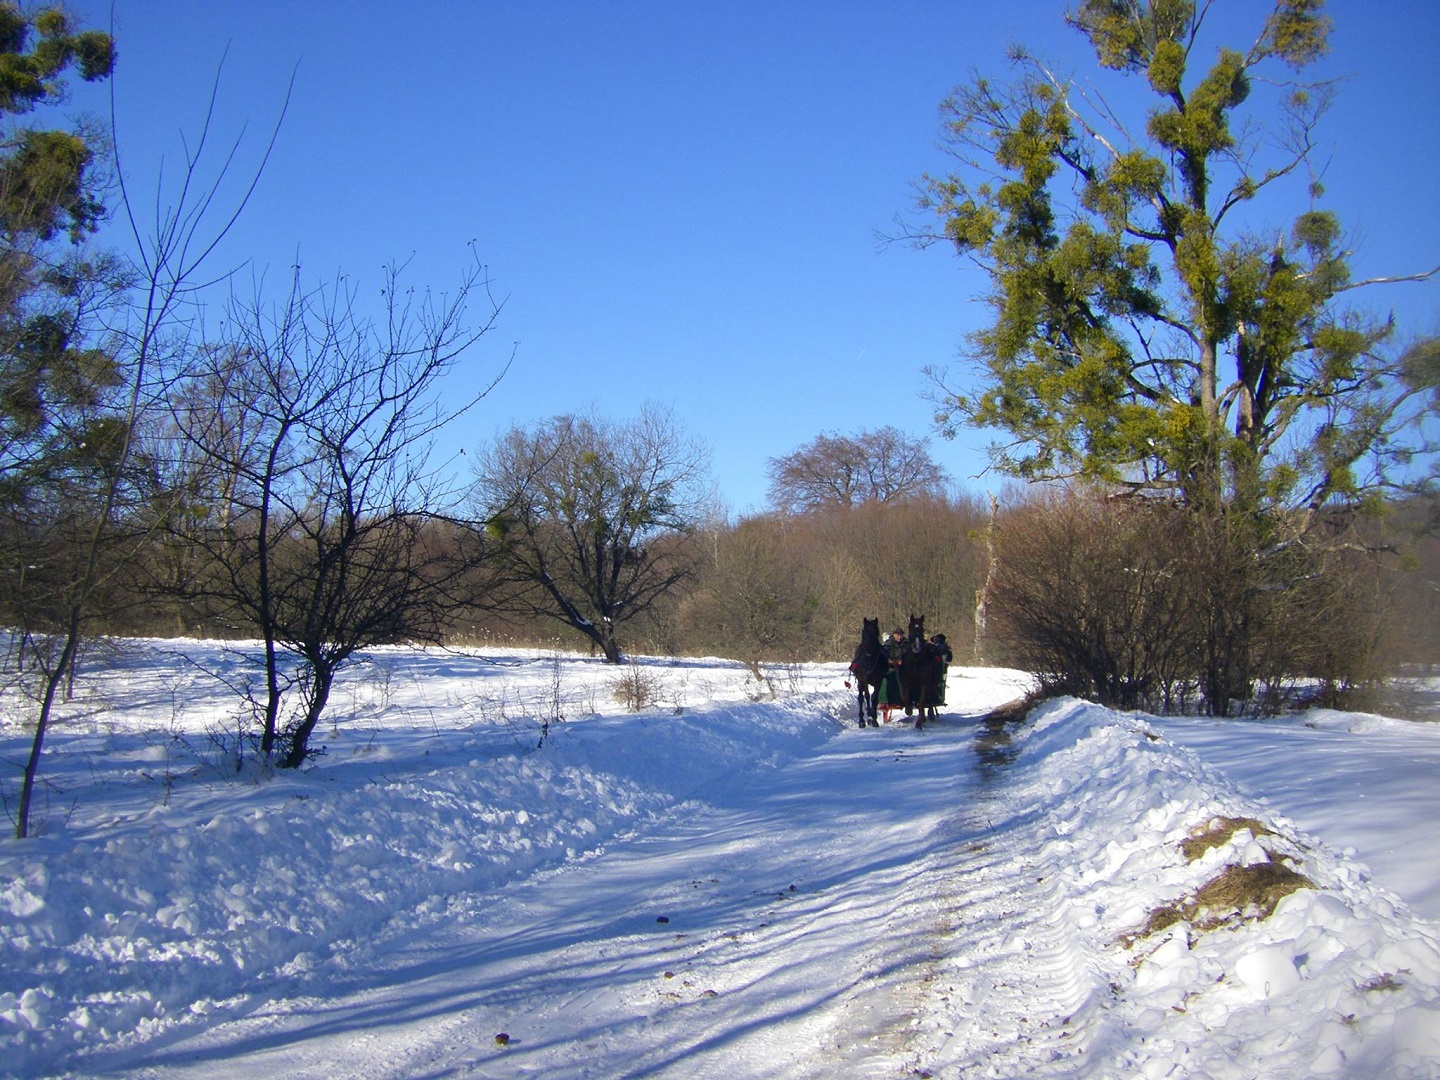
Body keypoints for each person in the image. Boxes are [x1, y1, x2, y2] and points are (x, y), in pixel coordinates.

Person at [877, 626, 906, 722]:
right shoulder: (888, 644)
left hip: (904, 668)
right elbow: (884, 656)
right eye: (898, 635)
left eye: (901, 635)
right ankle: (886, 701)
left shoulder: (906, 644)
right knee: (887, 678)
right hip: (891, 667)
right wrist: (892, 661)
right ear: (893, 635)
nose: (899, 637)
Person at [930, 632, 954, 705]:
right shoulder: (945, 648)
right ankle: (938, 696)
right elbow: (949, 659)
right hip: (940, 670)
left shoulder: (933, 648)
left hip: (936, 670)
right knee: (940, 683)